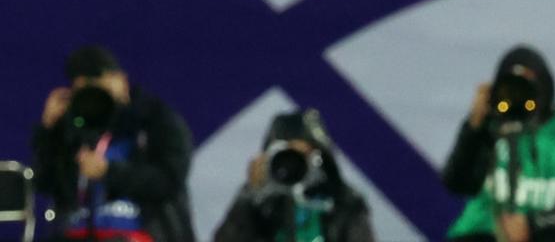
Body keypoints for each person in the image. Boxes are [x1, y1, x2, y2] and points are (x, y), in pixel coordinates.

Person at [31, 44, 196, 242]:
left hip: (143, 234)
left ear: (121, 80)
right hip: (76, 234)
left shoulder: (157, 121)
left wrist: (108, 172)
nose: (94, 95)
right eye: (84, 87)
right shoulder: (75, 125)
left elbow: (169, 180)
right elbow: (45, 184)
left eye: (98, 82)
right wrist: (49, 131)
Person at [441, 46, 555, 242]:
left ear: (544, 84)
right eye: (510, 85)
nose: (518, 93)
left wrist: (534, 225)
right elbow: (458, 183)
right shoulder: (490, 126)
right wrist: (473, 128)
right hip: (484, 234)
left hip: (550, 236)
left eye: (527, 84)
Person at [212, 108, 374, 242]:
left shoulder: (344, 204)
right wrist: (248, 197)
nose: (292, 163)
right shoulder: (260, 205)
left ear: (320, 156)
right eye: (285, 154)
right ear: (269, 158)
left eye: (302, 154)